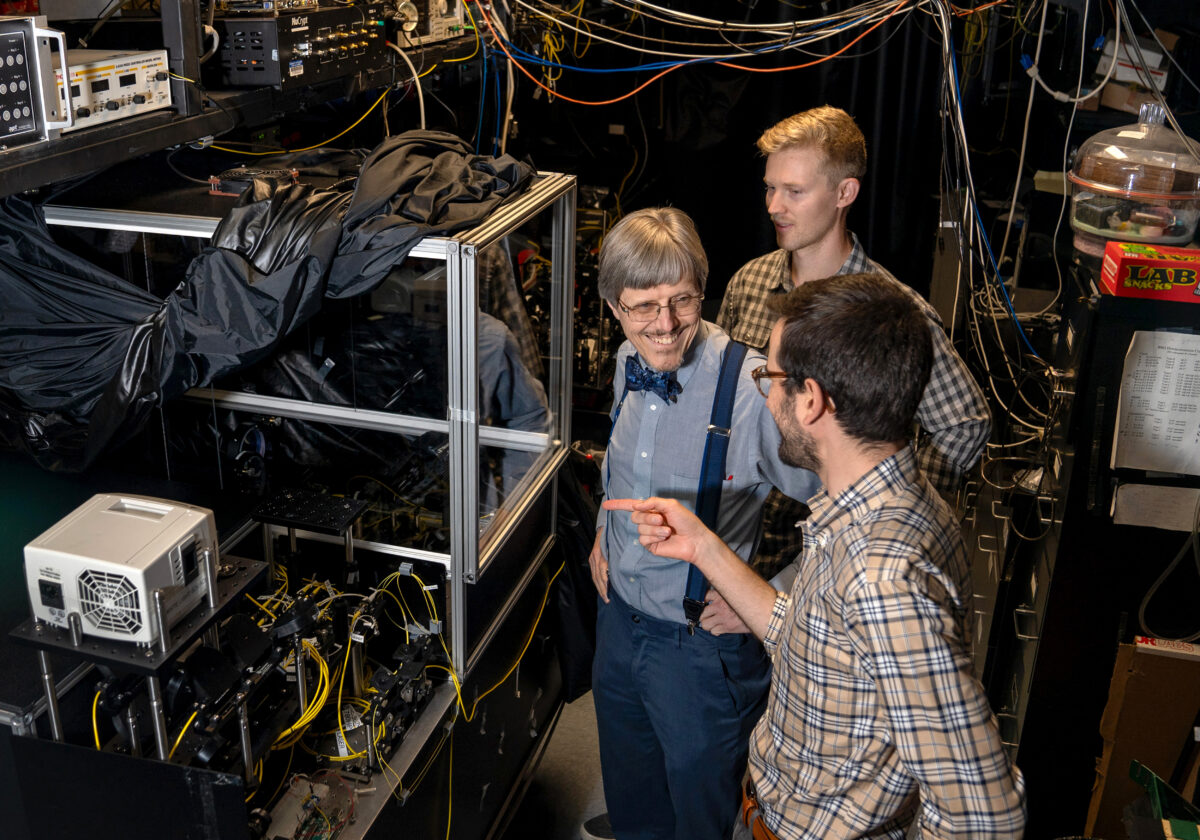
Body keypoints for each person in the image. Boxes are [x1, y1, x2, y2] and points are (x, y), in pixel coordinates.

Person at [606, 273, 1027, 840]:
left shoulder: (883, 578)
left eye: (770, 377)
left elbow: (983, 816)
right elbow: (811, 639)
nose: (763, 391)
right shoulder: (870, 504)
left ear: (812, 401)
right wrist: (704, 546)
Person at [584, 207, 820, 840]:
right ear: (613, 308)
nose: (664, 326)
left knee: (700, 819)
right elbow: (621, 467)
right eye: (643, 308)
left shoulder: (749, 388)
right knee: (634, 803)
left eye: (681, 301)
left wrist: (768, 600)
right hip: (617, 626)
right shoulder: (625, 361)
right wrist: (600, 540)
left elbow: (840, 502)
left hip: (696, 653)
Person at [717, 106, 990, 581]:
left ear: (845, 192)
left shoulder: (888, 310)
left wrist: (889, 518)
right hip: (736, 538)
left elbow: (964, 424)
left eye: (794, 192)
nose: (773, 206)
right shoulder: (749, 282)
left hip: (820, 567)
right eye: (770, 187)